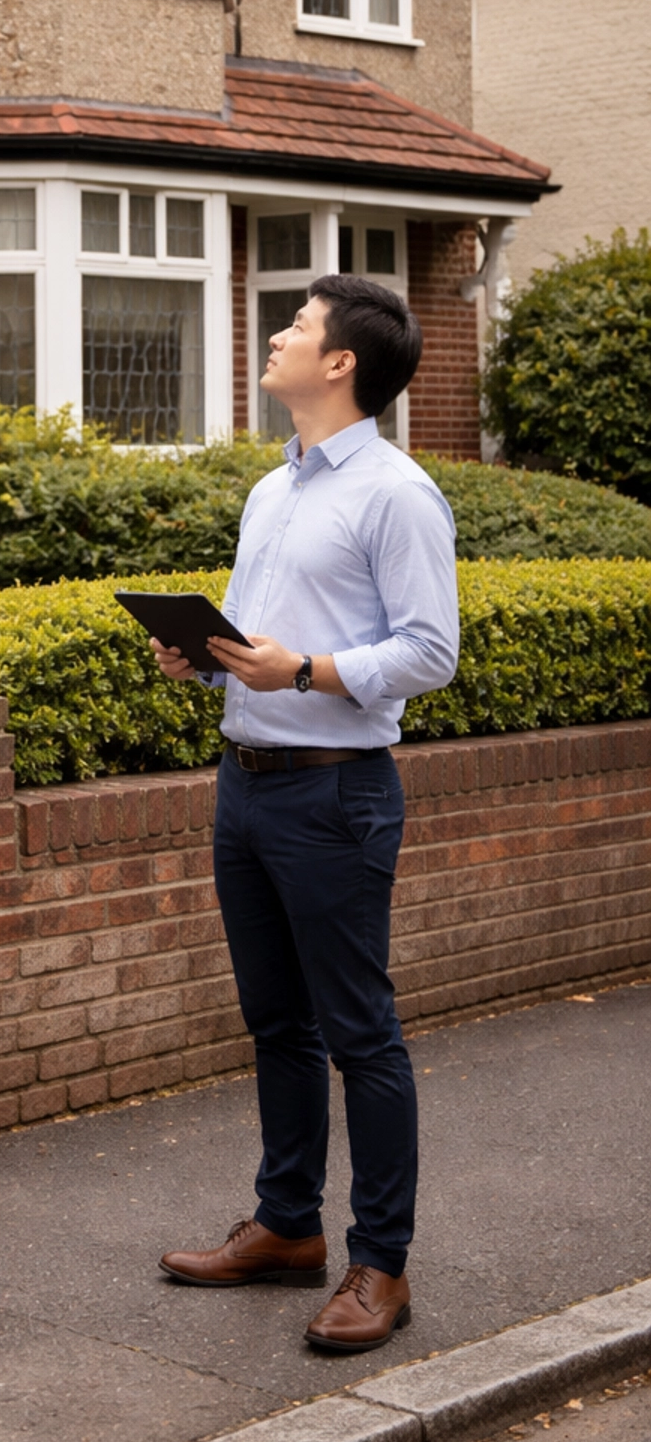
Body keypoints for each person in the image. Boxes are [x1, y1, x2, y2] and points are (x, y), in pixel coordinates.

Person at [150, 273, 459, 1353]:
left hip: (336, 795)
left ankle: (383, 1265)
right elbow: (263, 642)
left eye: (297, 324)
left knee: (360, 1034)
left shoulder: (397, 493)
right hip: (245, 783)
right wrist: (208, 660)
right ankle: (287, 1226)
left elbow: (430, 652)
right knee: (277, 1023)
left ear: (341, 363)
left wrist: (306, 670)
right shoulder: (271, 489)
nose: (277, 335)